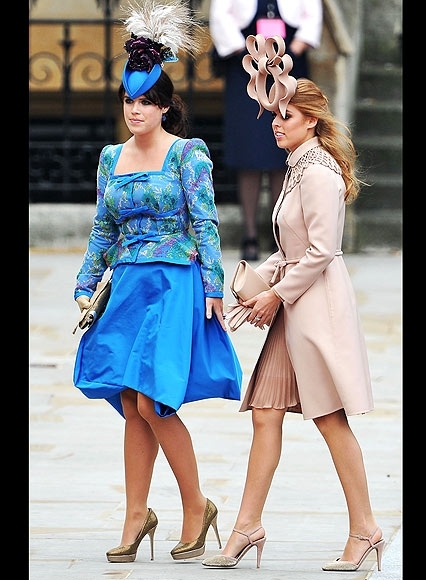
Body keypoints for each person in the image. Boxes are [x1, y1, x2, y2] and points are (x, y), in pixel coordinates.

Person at [202, 34, 384, 571]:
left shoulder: (319, 171)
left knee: (330, 421)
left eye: (285, 115)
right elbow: (291, 249)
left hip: (315, 314)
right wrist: (252, 285)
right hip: (292, 310)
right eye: (274, 113)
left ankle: (366, 530)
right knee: (265, 415)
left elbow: (325, 251)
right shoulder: (297, 167)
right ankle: (246, 527)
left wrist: (274, 296)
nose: (275, 122)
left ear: (310, 120)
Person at [72, 0, 242, 564]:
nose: (136, 109)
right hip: (127, 288)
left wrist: (214, 287)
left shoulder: (188, 154)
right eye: (129, 99)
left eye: (147, 101)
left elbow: (206, 222)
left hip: (175, 283)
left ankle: (196, 505)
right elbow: (103, 228)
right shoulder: (109, 158)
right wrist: (85, 281)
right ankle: (135, 514)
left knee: (153, 400)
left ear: (166, 107)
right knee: (127, 395)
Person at [209, 0, 323, 260]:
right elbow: (221, 14)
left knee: (283, 152)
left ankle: (280, 235)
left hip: (289, 65)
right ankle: (249, 233)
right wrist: (244, 53)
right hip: (245, 68)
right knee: (248, 150)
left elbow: (312, 15)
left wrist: (292, 51)